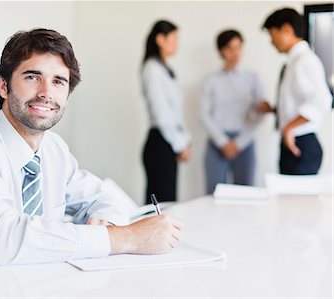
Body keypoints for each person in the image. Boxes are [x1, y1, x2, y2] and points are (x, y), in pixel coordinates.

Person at [0, 28, 183, 288]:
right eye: (33, 77)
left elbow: (105, 197)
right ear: (3, 86)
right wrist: (124, 238)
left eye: (59, 82)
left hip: (21, 286)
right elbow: (1, 240)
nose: (46, 93)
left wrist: (104, 223)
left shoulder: (53, 149)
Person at [259, 8, 331, 174]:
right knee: (288, 198)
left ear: (286, 29)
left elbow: (322, 100)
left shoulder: (305, 61)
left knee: (296, 200)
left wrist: (289, 127)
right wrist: (275, 109)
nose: (272, 42)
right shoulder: (293, 63)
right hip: (293, 142)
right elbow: (300, 101)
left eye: (272, 35)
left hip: (301, 144)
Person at [200, 30, 265, 194]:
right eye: (230, 48)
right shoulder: (211, 81)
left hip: (244, 142)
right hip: (217, 143)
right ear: (222, 51)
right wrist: (223, 142)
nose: (235, 53)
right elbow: (204, 114)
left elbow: (260, 114)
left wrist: (239, 143)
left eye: (238, 48)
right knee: (213, 194)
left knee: (245, 194)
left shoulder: (252, 79)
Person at [141, 20, 192, 204]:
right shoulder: (152, 69)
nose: (177, 43)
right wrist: (180, 145)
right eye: (174, 38)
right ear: (160, 39)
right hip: (160, 143)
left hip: (168, 143)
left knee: (168, 204)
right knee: (162, 208)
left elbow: (176, 114)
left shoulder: (165, 69)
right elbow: (162, 115)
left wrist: (184, 141)